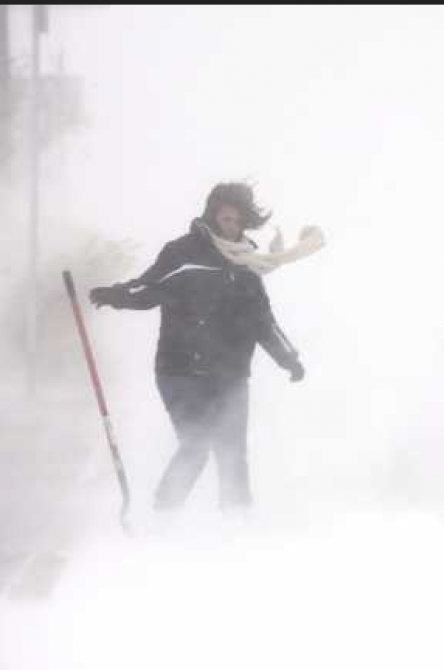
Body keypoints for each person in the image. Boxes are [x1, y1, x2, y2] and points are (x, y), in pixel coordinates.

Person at [89, 182, 324, 512]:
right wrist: (117, 295)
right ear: (212, 215)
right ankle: (164, 514)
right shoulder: (183, 254)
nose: (230, 225)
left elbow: (263, 323)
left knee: (232, 451)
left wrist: (289, 359)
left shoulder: (248, 266)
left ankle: (236, 520)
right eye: (225, 218)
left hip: (231, 375)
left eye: (237, 220)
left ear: (245, 222)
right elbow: (149, 288)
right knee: (196, 444)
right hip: (181, 370)